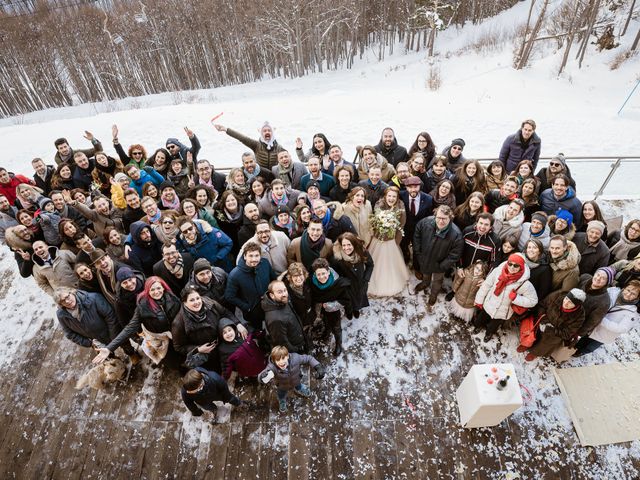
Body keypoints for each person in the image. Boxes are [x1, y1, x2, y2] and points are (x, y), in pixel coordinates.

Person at [172, 286, 247, 365]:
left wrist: (237, 323)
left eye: (198, 298)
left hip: (224, 342)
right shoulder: (178, 323)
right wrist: (198, 349)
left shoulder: (210, 303)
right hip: (209, 353)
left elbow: (225, 312)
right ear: (184, 303)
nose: (197, 302)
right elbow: (179, 347)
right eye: (192, 300)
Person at [473, 253, 538, 341]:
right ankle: (478, 327)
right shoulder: (497, 271)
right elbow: (486, 285)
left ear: (521, 267)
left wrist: (516, 298)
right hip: (489, 303)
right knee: (481, 318)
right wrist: (479, 301)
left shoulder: (524, 283)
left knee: (494, 325)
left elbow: (533, 301)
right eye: (510, 264)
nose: (512, 267)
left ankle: (488, 334)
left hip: (503, 311)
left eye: (516, 265)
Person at [413, 205, 463, 310]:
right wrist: (418, 252)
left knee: (437, 280)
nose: (441, 221)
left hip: (440, 263)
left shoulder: (456, 234)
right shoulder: (425, 223)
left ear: (450, 218)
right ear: (435, 215)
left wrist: (442, 265)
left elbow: (455, 254)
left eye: (444, 219)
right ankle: (425, 283)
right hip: (425, 258)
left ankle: (433, 295)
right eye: (439, 218)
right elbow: (417, 234)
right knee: (425, 273)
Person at [573, 280, 640, 356]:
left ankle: (581, 352)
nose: (628, 294)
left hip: (603, 334)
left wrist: (600, 319)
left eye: (633, 294)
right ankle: (575, 348)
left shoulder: (632, 312)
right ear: (624, 288)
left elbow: (622, 328)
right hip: (592, 325)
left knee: (590, 346)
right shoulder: (612, 291)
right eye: (628, 290)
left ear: (637, 297)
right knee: (583, 339)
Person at [367, 186, 409, 296]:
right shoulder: (379, 204)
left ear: (397, 197)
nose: (391, 198)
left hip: (391, 240)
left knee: (391, 263)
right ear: (385, 196)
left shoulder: (401, 206)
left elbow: (402, 224)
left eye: (394, 196)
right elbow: (375, 219)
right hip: (378, 239)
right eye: (389, 196)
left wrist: (396, 242)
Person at [224, 242, 276, 329]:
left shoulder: (265, 263)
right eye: (250, 256)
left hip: (270, 305)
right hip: (253, 312)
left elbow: (273, 280)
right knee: (259, 331)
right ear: (244, 256)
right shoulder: (235, 274)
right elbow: (229, 296)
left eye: (256, 256)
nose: (254, 259)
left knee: (273, 327)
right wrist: (247, 307)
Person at [523, 289, 585, 361]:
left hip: (555, 333)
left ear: (576, 306)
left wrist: (550, 329)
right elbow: (542, 305)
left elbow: (567, 334)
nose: (566, 303)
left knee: (546, 342)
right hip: (543, 320)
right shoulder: (557, 295)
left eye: (570, 302)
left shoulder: (579, 316)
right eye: (566, 299)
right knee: (534, 333)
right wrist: (543, 319)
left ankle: (535, 353)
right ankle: (526, 344)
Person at [258, 346, 325, 413]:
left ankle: (301, 388)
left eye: (283, 358)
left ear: (287, 356)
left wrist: (318, 366)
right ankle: (282, 401)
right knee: (281, 394)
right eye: (278, 360)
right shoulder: (272, 367)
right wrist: (262, 377)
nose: (281, 362)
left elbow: (309, 358)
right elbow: (261, 375)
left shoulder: (295, 358)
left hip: (296, 380)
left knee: (299, 386)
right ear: (274, 361)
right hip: (282, 386)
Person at [309, 258, 353, 355]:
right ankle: (327, 332)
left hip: (334, 310)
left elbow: (346, 300)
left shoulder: (338, 284)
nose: (321, 277)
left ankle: (338, 343)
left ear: (328, 272)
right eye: (318, 274)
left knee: (336, 327)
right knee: (326, 322)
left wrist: (330, 305)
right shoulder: (312, 282)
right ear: (315, 274)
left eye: (323, 273)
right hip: (321, 310)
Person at [54, 287, 120, 349]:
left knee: (126, 347)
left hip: (114, 334)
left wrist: (113, 338)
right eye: (63, 301)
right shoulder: (61, 315)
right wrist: (89, 343)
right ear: (61, 304)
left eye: (67, 297)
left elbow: (110, 316)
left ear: (72, 292)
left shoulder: (94, 298)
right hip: (97, 343)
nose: (67, 301)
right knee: (108, 358)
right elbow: (69, 334)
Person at [331, 232, 374, 318]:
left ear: (354, 244)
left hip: (360, 283)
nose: (346, 248)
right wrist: (343, 282)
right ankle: (349, 312)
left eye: (349, 245)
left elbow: (370, 265)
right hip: (347, 286)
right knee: (348, 301)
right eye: (344, 245)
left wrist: (365, 279)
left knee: (358, 299)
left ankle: (356, 309)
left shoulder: (362, 252)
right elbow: (334, 273)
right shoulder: (337, 258)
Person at [214, 121, 285, 170]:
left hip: (274, 176)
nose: (267, 132)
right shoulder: (256, 145)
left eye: (269, 131)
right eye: (264, 131)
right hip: (261, 175)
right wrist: (226, 129)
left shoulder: (279, 147)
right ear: (261, 133)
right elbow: (242, 138)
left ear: (272, 133)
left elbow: (288, 158)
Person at [262, 280, 308, 354]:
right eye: (280, 292)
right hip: (295, 347)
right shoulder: (275, 319)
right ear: (272, 295)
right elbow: (282, 343)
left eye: (285, 290)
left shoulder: (283, 300)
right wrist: (295, 350)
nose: (284, 294)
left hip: (299, 336)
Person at [181, 368, 246, 418]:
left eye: (193, 391)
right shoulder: (187, 390)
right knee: (210, 407)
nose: (189, 392)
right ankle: (214, 410)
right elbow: (189, 403)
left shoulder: (215, 378)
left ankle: (239, 403)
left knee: (231, 398)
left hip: (217, 394)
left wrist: (226, 398)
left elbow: (225, 390)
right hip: (203, 402)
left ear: (201, 385)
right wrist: (197, 412)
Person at [399, 176, 433, 267]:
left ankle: (416, 267)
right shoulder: (401, 195)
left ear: (420, 186)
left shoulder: (428, 199)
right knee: (403, 246)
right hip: (405, 228)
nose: (413, 189)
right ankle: (405, 261)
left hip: (419, 230)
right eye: (410, 187)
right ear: (406, 188)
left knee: (417, 249)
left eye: (415, 187)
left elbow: (429, 216)